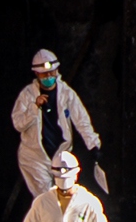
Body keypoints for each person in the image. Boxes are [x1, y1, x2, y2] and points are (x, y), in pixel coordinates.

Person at [14, 46, 106, 199]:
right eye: (44, 73)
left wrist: (93, 145)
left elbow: (81, 120)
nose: (49, 76)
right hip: (35, 157)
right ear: (37, 74)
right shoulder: (27, 95)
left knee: (65, 197)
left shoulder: (67, 94)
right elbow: (18, 124)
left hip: (61, 154)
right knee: (47, 200)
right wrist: (34, 107)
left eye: (52, 72)